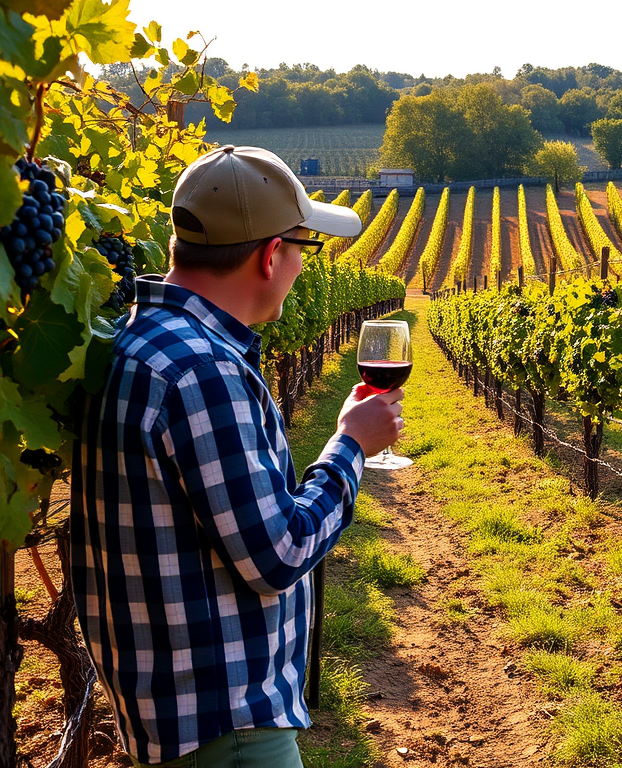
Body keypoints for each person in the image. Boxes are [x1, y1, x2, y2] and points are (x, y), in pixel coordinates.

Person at [70, 145, 404, 767]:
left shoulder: (136, 340)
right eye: (305, 248)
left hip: (177, 713)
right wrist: (352, 446)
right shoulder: (202, 371)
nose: (302, 266)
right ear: (271, 255)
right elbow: (279, 555)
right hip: (226, 726)